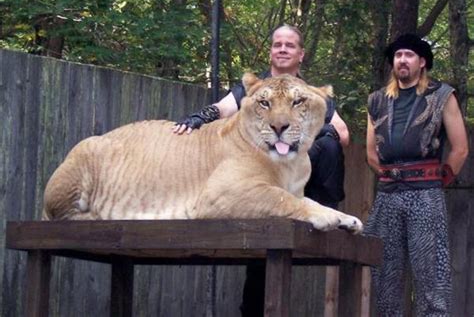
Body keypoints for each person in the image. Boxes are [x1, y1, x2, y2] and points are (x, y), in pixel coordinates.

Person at [174, 25, 349, 316]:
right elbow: (223, 107)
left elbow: (342, 134)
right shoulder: (253, 89)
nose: (282, 49)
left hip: (296, 176)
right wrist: (198, 117)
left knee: (329, 141)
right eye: (277, 44)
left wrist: (300, 132)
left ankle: (322, 207)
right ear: (270, 51)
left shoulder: (310, 95)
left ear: (301, 54)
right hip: (259, 181)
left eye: (289, 45)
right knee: (261, 261)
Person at [365, 33, 469, 316]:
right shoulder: (376, 101)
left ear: (421, 62)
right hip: (387, 196)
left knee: (431, 280)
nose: (402, 60)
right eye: (398, 55)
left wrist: (435, 182)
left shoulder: (442, 96)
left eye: (408, 55)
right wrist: (394, 177)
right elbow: (371, 154)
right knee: (385, 282)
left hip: (426, 194)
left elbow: (459, 149)